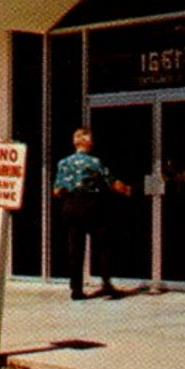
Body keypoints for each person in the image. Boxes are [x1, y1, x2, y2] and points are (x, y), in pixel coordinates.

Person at [52, 127, 131, 300]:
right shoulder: (94, 162)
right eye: (90, 139)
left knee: (75, 248)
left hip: (71, 206)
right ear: (85, 141)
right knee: (104, 243)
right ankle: (106, 283)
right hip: (91, 206)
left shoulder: (63, 163)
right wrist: (126, 190)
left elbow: (56, 191)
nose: (93, 142)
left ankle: (76, 289)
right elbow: (112, 183)